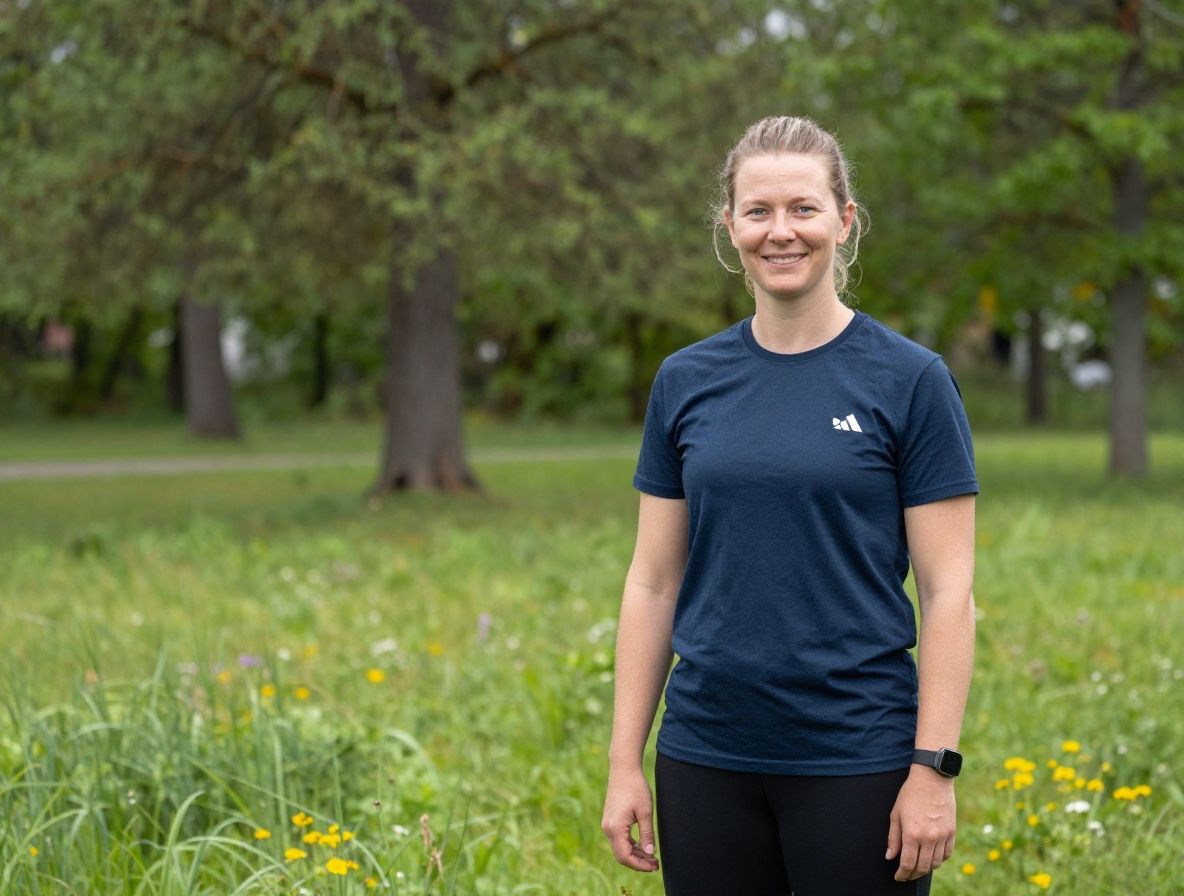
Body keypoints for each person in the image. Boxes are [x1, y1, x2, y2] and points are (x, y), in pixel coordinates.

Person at [600, 115, 978, 896]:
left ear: (844, 221)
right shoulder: (684, 381)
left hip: (860, 756)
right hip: (705, 753)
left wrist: (933, 769)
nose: (781, 232)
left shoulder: (910, 381)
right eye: (759, 211)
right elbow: (652, 583)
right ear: (729, 226)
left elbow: (949, 593)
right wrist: (622, 764)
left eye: (803, 209)